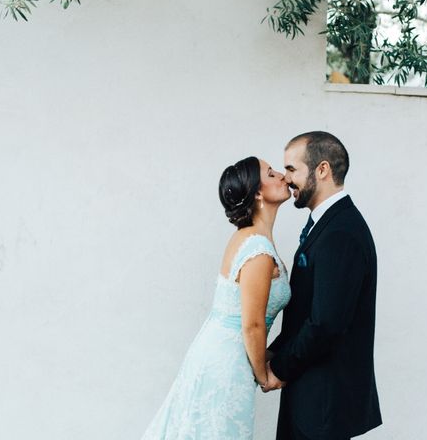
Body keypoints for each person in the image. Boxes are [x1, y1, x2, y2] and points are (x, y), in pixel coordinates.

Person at [141, 156, 292, 439]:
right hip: (227, 362)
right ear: (257, 191)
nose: (283, 176)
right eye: (271, 173)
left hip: (217, 351)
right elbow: (252, 324)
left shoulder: (248, 237)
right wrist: (263, 376)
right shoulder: (258, 249)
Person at [263, 132, 382, 440]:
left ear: (322, 170)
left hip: (324, 405)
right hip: (311, 398)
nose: (287, 179)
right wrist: (272, 354)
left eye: (292, 169)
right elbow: (306, 311)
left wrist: (280, 370)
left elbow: (326, 323)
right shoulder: (327, 224)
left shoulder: (341, 232)